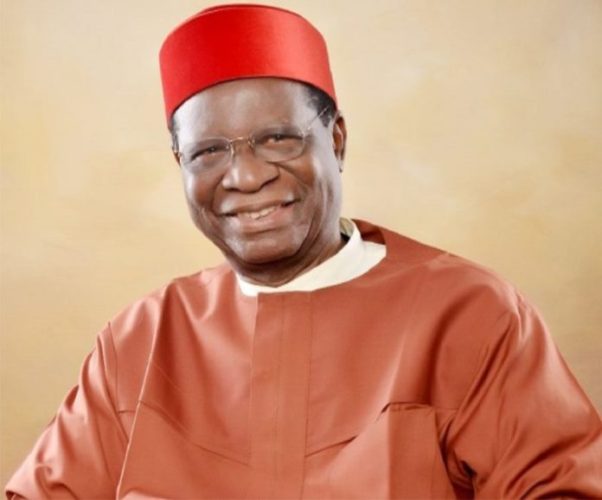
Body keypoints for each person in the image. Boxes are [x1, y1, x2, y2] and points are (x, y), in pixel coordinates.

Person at [6, 4, 602, 499]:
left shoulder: (470, 315)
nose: (245, 176)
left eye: (278, 138)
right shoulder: (138, 343)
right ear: (180, 166)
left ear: (335, 139)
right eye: (208, 152)